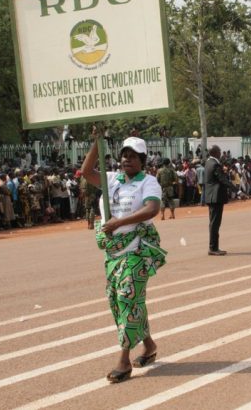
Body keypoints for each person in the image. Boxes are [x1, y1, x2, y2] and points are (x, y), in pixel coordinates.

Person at [81, 135, 167, 384]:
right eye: (124, 155)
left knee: (127, 297)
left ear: (142, 160)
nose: (127, 159)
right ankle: (149, 345)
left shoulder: (148, 182)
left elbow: (152, 209)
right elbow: (86, 172)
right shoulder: (111, 180)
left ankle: (123, 360)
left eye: (133, 156)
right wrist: (97, 142)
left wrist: (119, 222)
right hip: (113, 252)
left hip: (137, 250)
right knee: (118, 303)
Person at [204, 145, 232, 256]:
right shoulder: (215, 164)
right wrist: (238, 192)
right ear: (215, 152)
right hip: (216, 197)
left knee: (213, 223)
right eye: (219, 151)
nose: (220, 153)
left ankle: (213, 247)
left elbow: (217, 177)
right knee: (215, 223)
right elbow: (222, 180)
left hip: (211, 197)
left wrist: (223, 171)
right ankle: (213, 248)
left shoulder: (208, 162)